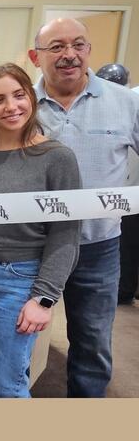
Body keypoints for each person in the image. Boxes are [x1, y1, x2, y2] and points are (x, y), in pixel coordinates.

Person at [0, 63, 81, 397]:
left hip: (17, 280)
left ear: (32, 98)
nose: (11, 107)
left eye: (19, 95)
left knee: (6, 382)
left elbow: (66, 234)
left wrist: (44, 298)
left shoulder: (57, 158)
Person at [29, 18, 139, 397]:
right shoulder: (18, 103)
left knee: (92, 342)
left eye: (78, 44)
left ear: (89, 51)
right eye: (56, 47)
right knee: (17, 333)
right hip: (30, 247)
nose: (69, 55)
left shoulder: (126, 102)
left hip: (98, 246)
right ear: (35, 56)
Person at [94, 65, 139, 306]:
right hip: (44, 234)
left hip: (106, 228)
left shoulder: (130, 104)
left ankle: (125, 290)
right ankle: (125, 290)